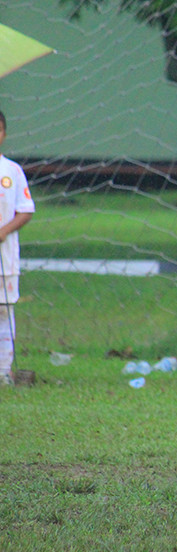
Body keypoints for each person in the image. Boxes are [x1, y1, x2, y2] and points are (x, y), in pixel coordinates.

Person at [0, 111, 34, 386]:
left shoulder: (12, 171)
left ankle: (3, 371)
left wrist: (4, 231)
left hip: (5, 260)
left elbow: (25, 210)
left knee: (4, 313)